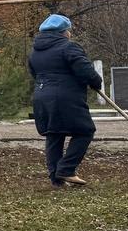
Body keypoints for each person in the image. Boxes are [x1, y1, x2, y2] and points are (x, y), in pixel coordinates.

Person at [28, 13, 103, 188]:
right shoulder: (68, 47)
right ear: (63, 32)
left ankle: (56, 178)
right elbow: (85, 70)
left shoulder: (35, 52)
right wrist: (95, 82)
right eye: (68, 30)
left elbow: (34, 74)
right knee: (85, 131)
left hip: (41, 96)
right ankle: (66, 169)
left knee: (54, 134)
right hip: (65, 98)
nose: (69, 33)